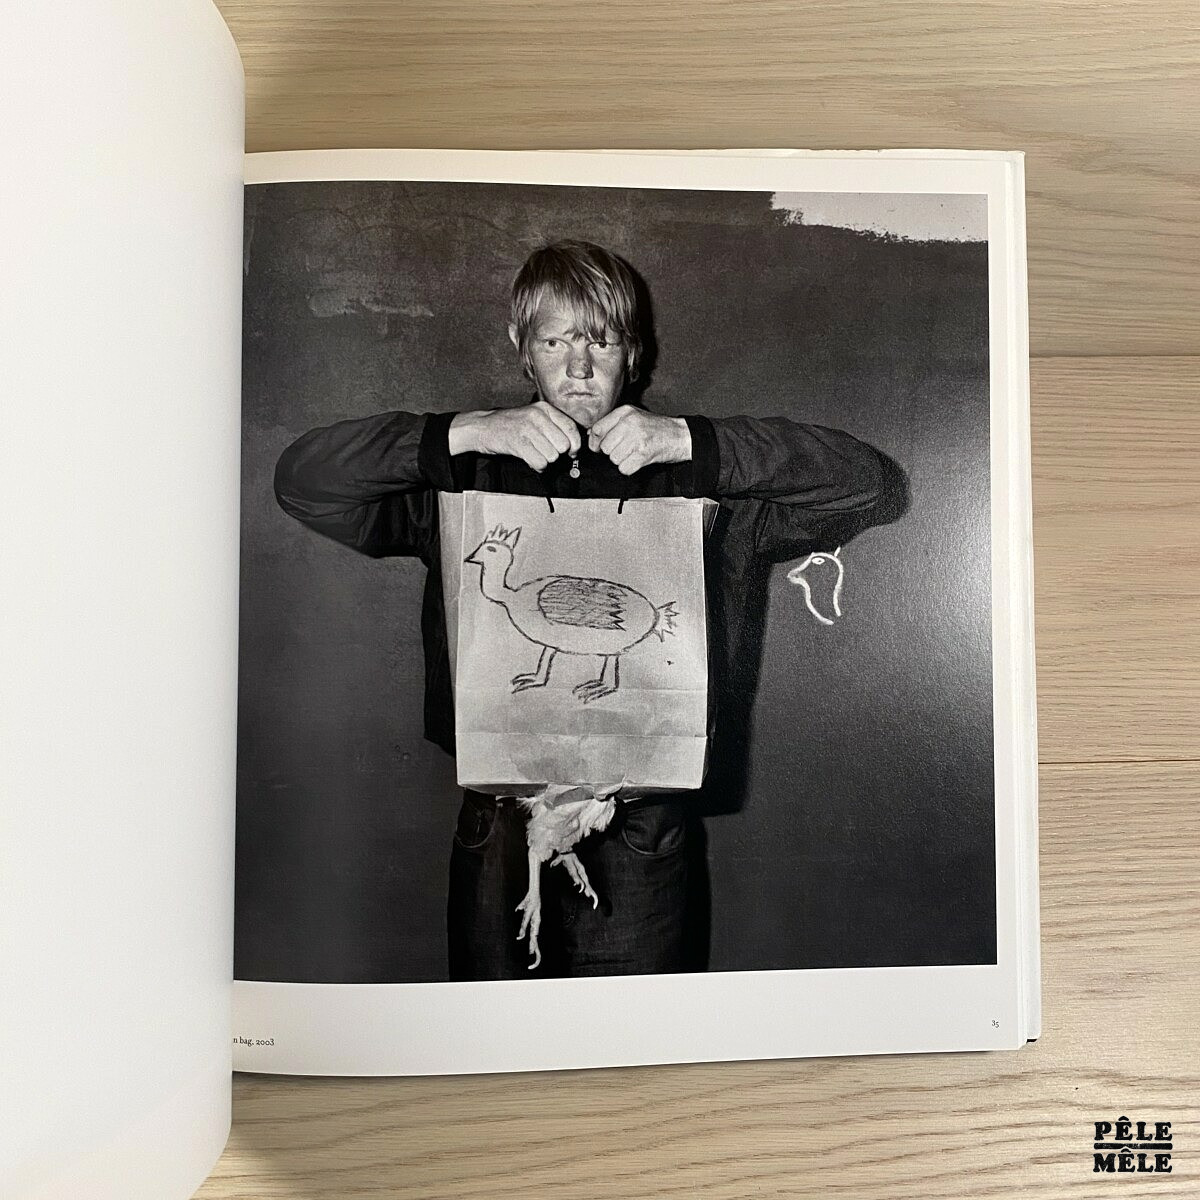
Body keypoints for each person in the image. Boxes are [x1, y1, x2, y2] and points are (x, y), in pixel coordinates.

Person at [274, 238, 886, 981]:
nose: (579, 368)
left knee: (633, 1041)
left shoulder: (694, 479)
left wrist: (694, 443)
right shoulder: (468, 476)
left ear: (635, 350)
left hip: (641, 830)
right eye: (555, 342)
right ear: (521, 347)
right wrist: (464, 432)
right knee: (493, 1038)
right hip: (500, 823)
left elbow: (866, 483)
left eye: (601, 341)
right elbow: (302, 480)